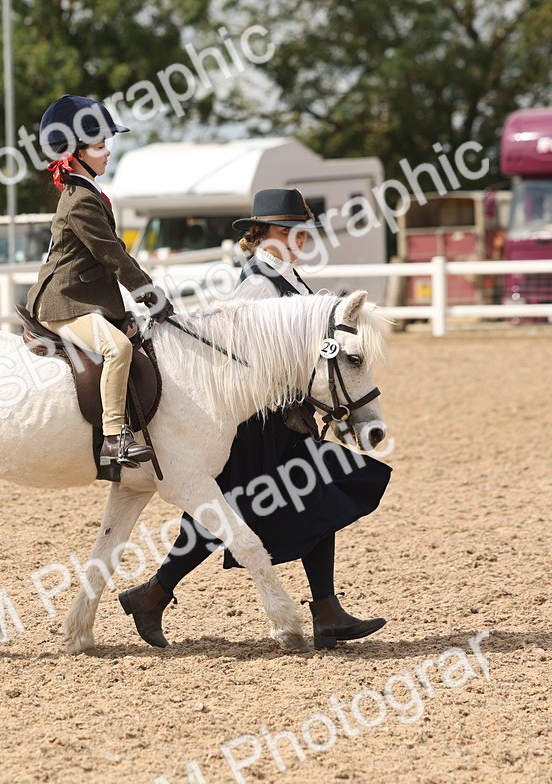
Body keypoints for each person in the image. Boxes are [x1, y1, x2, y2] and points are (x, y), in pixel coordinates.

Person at [117, 188, 393, 651]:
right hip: (258, 424)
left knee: (306, 500)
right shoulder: (259, 285)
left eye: (304, 231)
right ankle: (155, 593)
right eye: (290, 231)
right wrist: (288, 404)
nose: (301, 239)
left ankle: (323, 610)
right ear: (261, 234)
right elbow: (244, 359)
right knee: (229, 512)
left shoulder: (293, 279)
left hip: (284, 420)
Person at [25, 94, 172, 467]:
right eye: (100, 145)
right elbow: (113, 255)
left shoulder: (91, 193)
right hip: (64, 302)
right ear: (74, 152)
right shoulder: (80, 201)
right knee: (118, 349)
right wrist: (149, 294)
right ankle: (113, 438)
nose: (108, 152)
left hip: (85, 296)